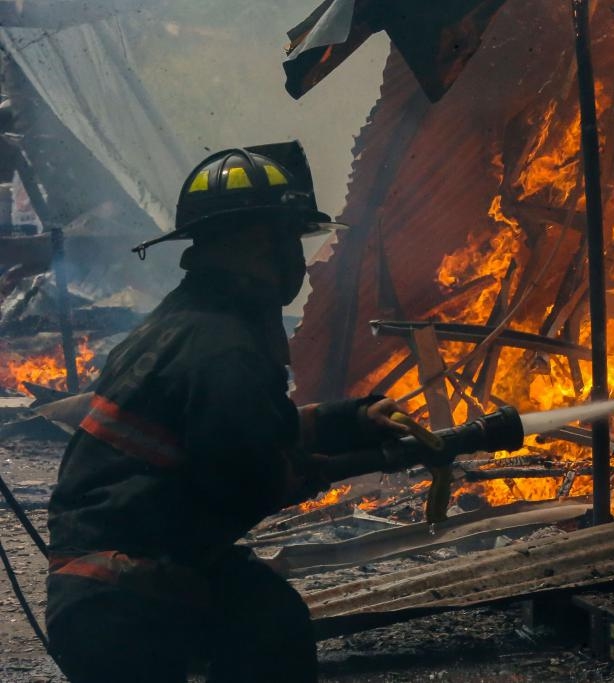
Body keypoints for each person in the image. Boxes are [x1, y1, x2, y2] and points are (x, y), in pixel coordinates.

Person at [45, 143, 445, 682]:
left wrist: (353, 419)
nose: (298, 262)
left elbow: (250, 429)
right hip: (124, 605)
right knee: (269, 631)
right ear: (258, 242)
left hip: (120, 583)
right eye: (291, 241)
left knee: (267, 615)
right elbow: (246, 480)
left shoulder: (185, 323)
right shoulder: (222, 347)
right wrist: (353, 462)